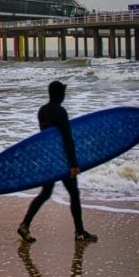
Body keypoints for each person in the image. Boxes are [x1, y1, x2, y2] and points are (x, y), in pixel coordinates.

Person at [18, 80, 96, 243]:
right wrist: (74, 164)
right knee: (74, 194)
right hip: (61, 159)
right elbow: (67, 138)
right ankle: (80, 232)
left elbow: (45, 137)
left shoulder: (42, 111)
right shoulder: (60, 112)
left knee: (45, 193)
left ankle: (25, 224)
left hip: (48, 158)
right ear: (60, 94)